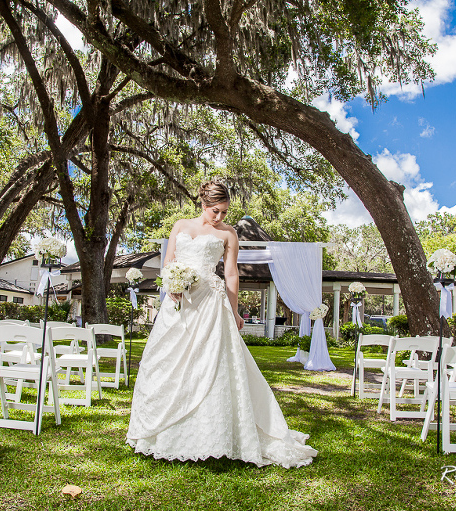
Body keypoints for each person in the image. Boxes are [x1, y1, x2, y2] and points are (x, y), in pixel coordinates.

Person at [126, 179, 317, 468]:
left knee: (211, 364)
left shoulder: (228, 234)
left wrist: (235, 310)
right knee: (170, 363)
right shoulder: (180, 226)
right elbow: (168, 263)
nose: (219, 217)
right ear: (202, 204)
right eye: (215, 211)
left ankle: (213, 436)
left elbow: (230, 275)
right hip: (178, 303)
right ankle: (163, 434)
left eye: (224, 212)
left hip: (210, 303)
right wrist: (172, 285)